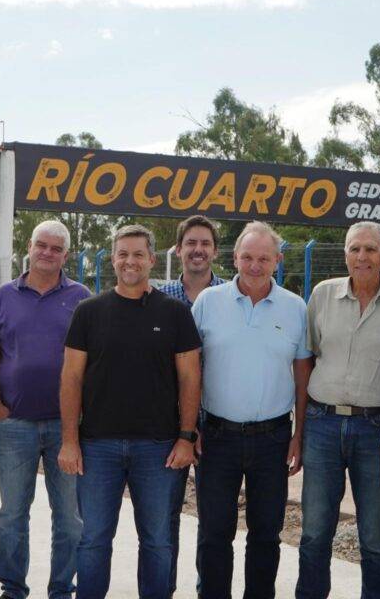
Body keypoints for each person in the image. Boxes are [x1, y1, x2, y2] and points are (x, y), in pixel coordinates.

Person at [58, 224, 201, 599]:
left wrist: (186, 437)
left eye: (138, 254)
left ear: (153, 259)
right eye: (123, 253)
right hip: (97, 448)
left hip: (157, 448)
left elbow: (190, 379)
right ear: (113, 258)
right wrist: (70, 441)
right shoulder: (89, 312)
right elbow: (71, 378)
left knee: (156, 541)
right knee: (92, 540)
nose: (130, 261)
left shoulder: (175, 314)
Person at [296, 221, 380, 599]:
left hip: (377, 430)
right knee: (315, 532)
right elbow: (309, 359)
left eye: (370, 249)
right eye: (355, 249)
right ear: (345, 255)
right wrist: (300, 430)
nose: (362, 257)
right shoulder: (322, 295)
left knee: (374, 538)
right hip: (321, 425)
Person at [191, 221, 311, 598]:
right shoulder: (208, 303)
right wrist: (189, 426)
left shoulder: (295, 308)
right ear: (235, 258)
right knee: (213, 534)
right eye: (247, 257)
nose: (254, 265)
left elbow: (303, 374)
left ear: (277, 259)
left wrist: (299, 435)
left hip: (272, 439)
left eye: (263, 258)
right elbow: (191, 369)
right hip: (216, 437)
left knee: (266, 534)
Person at [0, 220, 91, 599]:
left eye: (56, 248)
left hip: (67, 427)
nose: (47, 253)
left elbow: (94, 359)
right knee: (11, 516)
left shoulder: (81, 297)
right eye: (41, 245)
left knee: (71, 520)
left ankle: (62, 589)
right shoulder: (4, 296)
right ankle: (12, 588)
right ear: (29, 246)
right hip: (15, 424)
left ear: (66, 255)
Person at [156, 214, 226, 594]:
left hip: (218, 426)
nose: (197, 250)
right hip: (169, 428)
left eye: (205, 244)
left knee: (213, 523)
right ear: (178, 249)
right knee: (163, 522)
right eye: (190, 243)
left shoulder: (233, 297)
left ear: (215, 250)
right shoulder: (159, 298)